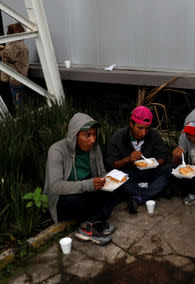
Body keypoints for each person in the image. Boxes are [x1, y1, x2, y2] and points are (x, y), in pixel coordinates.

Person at [44, 113, 117, 246]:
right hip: (64, 198)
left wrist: (107, 180)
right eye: (87, 135)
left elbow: (101, 173)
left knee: (113, 191)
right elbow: (56, 186)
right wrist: (88, 185)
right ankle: (87, 228)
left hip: (86, 191)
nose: (92, 140)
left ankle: (93, 221)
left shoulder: (94, 148)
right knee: (75, 201)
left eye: (94, 135)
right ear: (74, 135)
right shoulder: (57, 150)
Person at [106, 106, 172, 213]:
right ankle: (154, 191)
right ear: (131, 124)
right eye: (140, 128)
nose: (143, 133)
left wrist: (152, 163)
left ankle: (138, 196)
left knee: (170, 169)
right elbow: (112, 164)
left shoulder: (153, 135)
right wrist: (128, 159)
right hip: (129, 174)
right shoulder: (118, 137)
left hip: (150, 172)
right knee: (115, 180)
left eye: (147, 128)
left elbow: (163, 155)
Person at [0, 23, 29, 109]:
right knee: (21, 102)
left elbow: (7, 59)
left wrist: (1, 49)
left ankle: (21, 120)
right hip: (22, 77)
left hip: (15, 80)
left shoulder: (12, 46)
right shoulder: (22, 46)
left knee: (17, 103)